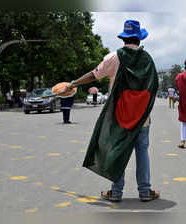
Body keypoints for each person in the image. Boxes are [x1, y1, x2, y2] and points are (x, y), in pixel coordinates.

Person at [65, 20, 159, 202]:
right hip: (142, 119)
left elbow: (93, 74)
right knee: (142, 152)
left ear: (124, 38)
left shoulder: (114, 57)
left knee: (117, 151)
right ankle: (145, 192)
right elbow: (154, 86)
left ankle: (116, 193)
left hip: (119, 118)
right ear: (139, 39)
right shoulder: (147, 59)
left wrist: (73, 83)